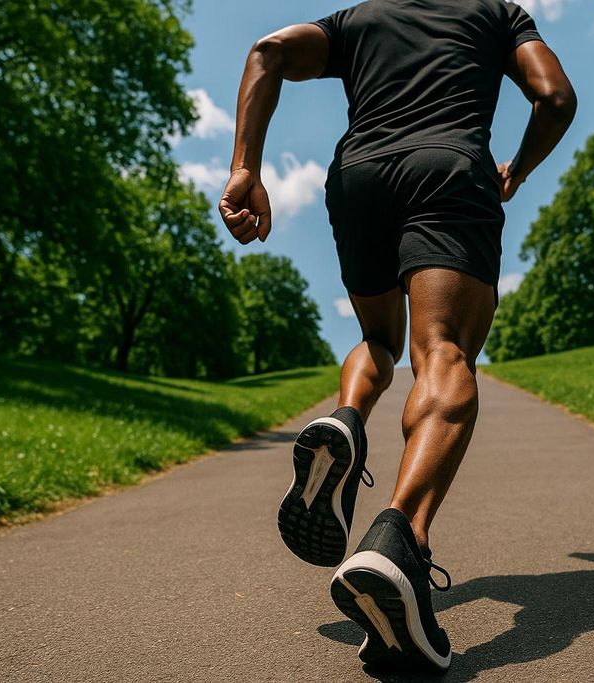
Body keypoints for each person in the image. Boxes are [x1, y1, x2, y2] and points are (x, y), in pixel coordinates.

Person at [219, 0, 575, 671]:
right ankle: (398, 536)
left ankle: (349, 420)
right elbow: (554, 97)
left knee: (378, 338)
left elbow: (267, 51)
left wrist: (245, 167)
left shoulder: (360, 18)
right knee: (443, 350)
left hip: (360, 177)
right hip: (449, 169)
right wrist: (516, 170)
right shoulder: (497, 13)